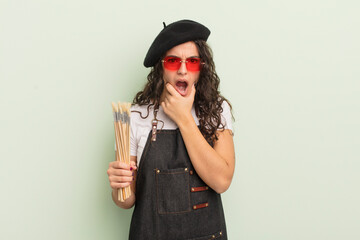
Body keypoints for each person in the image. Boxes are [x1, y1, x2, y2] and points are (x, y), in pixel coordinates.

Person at [107, 19, 235, 239]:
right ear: (161, 67)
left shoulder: (217, 109)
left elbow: (222, 181)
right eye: (173, 61)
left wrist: (183, 118)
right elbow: (126, 201)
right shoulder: (137, 116)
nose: (183, 70)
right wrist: (120, 186)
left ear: (202, 67)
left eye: (192, 61)